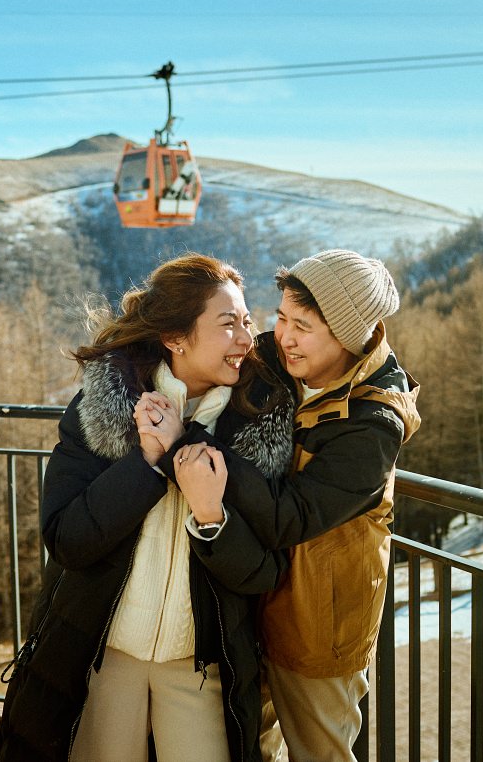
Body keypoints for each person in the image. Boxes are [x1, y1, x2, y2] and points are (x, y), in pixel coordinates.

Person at [0, 253, 294, 762]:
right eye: (228, 324)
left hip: (200, 669)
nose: (247, 338)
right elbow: (66, 539)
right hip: (104, 657)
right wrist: (147, 464)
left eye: (247, 321)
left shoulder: (259, 428)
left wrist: (212, 518)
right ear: (175, 337)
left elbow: (265, 572)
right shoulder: (103, 410)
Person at [165, 249, 421, 762]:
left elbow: (291, 517)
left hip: (317, 628)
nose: (283, 336)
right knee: (250, 749)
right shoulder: (274, 362)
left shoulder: (373, 423)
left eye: (302, 327)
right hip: (250, 603)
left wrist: (192, 445)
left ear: (346, 336)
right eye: (281, 318)